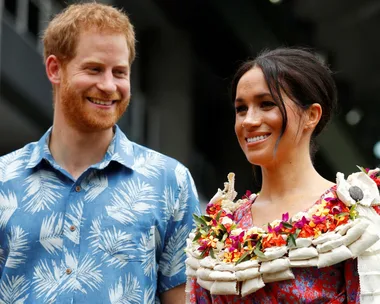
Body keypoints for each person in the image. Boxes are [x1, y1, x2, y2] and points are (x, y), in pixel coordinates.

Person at [0, 3, 199, 304]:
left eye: (119, 72)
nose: (108, 86)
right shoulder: (4, 179)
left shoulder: (171, 182)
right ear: (55, 69)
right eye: (94, 69)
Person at [186, 48, 380, 303]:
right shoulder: (219, 228)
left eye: (266, 104)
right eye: (241, 109)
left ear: (311, 115)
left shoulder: (354, 217)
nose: (249, 120)